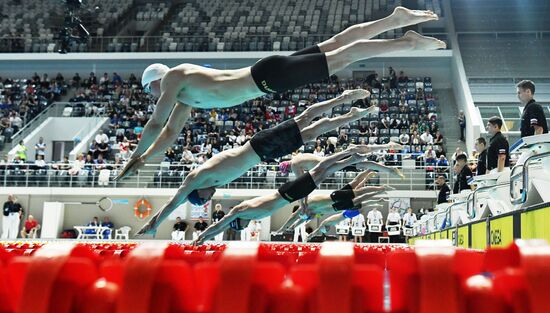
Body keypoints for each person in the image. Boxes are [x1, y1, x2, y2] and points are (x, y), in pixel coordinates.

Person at [122, 7, 443, 169]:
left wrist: (134, 156)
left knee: (344, 57)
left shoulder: (173, 78)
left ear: (155, 81)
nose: (153, 97)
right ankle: (394, 19)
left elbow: (155, 123)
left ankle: (406, 42)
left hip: (267, 79)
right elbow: (167, 135)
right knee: (337, 44)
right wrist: (143, 159)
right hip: (267, 74)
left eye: (150, 91)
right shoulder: (185, 99)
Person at [133, 90, 380, 236]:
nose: (209, 199)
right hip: (266, 154)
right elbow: (223, 222)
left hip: (259, 145)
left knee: (305, 119)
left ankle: (344, 98)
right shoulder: (212, 183)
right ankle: (350, 115)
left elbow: (173, 200)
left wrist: (154, 223)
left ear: (198, 191)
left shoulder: (196, 179)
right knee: (311, 133)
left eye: (205, 198)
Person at [192, 149, 368, 244]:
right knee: (321, 173)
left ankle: (350, 154)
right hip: (289, 195)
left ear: (238, 223)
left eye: (240, 228)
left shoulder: (240, 210)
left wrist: (203, 237)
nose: (244, 228)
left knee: (321, 171)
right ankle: (351, 158)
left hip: (287, 193)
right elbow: (222, 226)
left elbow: (220, 225)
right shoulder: (250, 216)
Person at [272, 170, 391, 235]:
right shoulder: (314, 213)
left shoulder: (306, 206)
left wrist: (282, 228)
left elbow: (294, 217)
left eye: (307, 216)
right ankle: (375, 186)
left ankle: (371, 176)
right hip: (337, 206)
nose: (310, 217)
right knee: (358, 195)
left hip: (334, 198)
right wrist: (289, 228)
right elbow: (296, 222)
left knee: (356, 188)